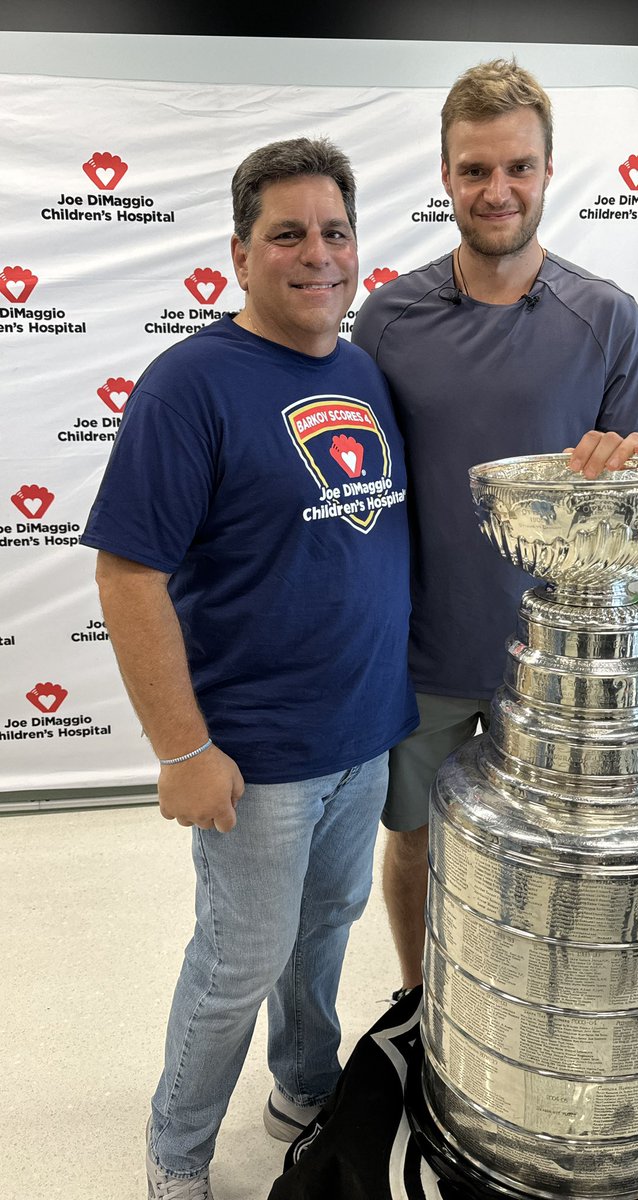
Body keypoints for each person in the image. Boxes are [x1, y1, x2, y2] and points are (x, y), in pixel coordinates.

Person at [80, 137, 418, 1198]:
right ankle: (177, 1150)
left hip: (363, 735)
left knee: (324, 930)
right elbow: (129, 575)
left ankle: (304, 1086)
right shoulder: (191, 386)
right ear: (239, 251)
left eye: (334, 232)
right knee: (239, 962)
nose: (316, 254)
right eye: (287, 234)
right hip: (255, 757)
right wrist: (183, 748)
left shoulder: (365, 370)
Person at [351, 58, 638, 995]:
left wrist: (630, 468)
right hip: (425, 654)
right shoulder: (389, 318)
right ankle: (420, 1000)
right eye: (476, 170)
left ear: (548, 169)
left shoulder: (607, 317)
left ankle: (543, 1006)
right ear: (446, 176)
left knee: (564, 859)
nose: (498, 191)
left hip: (566, 656)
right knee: (414, 844)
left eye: (518, 168)